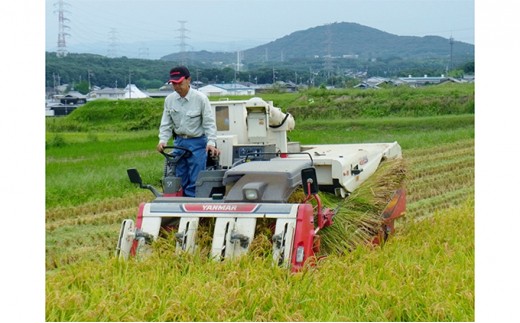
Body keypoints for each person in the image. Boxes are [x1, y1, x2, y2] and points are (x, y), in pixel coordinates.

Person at [156, 66, 220, 197]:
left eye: (179, 83)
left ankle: (192, 204)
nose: (177, 86)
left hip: (197, 143)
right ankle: (180, 202)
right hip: (179, 142)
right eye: (174, 84)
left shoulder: (201, 99)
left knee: (195, 179)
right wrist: (162, 140)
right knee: (179, 177)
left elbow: (209, 123)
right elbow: (166, 123)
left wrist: (211, 142)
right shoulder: (170, 100)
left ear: (188, 80)